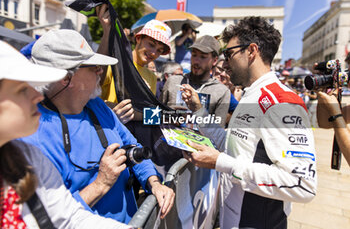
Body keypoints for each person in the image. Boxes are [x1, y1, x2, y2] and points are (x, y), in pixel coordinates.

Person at [20, 29, 174, 224]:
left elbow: (131, 145)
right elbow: (48, 217)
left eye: (160, 49)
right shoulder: (33, 137)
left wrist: (153, 182)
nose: (100, 70)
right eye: (93, 66)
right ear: (65, 78)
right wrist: (101, 183)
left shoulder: (98, 105)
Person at [180, 17, 317, 228]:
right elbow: (235, 146)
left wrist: (220, 162)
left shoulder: (281, 101)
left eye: (229, 54)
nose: (224, 63)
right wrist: (199, 113)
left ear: (251, 51)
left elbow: (302, 185)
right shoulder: (251, 94)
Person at [0, 41, 130, 228]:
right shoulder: (31, 146)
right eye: (22, 89)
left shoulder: (25, 155)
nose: (37, 96)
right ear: (66, 79)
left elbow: (67, 216)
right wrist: (100, 184)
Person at [161, 35, 230, 128]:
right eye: (194, 55)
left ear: (214, 60)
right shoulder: (173, 81)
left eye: (203, 57)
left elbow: (218, 132)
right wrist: (169, 117)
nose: (196, 61)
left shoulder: (222, 92)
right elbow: (155, 116)